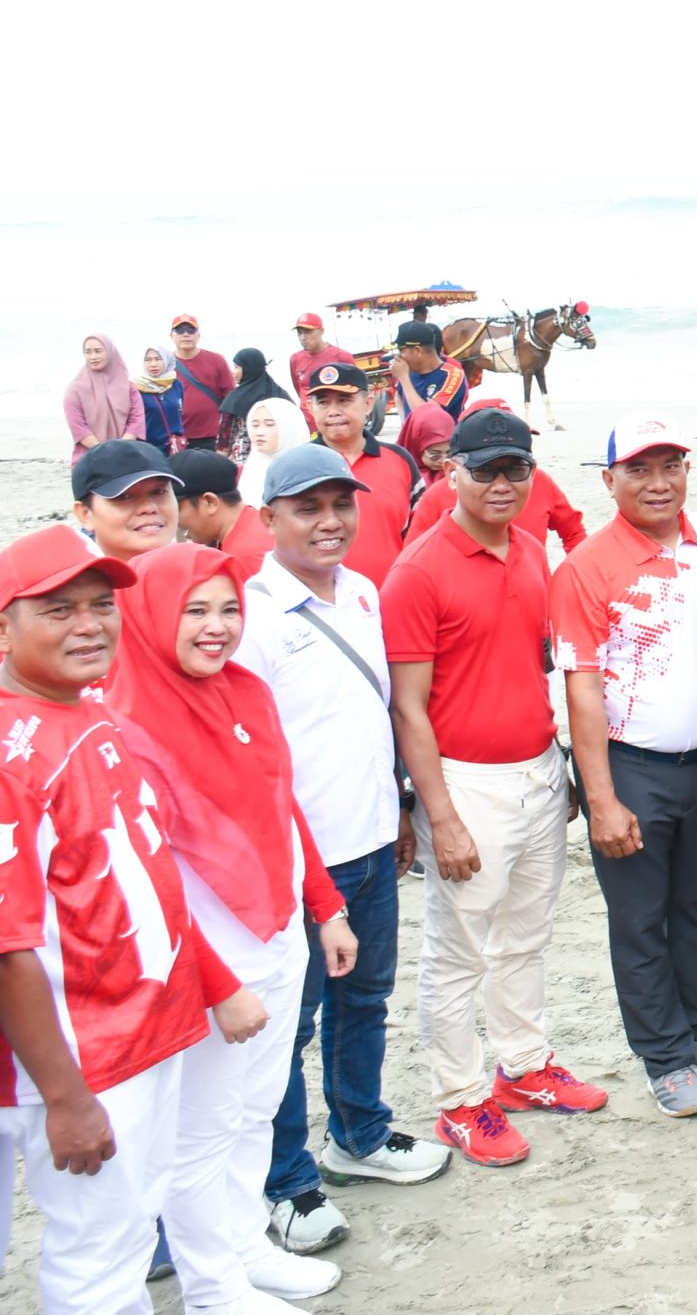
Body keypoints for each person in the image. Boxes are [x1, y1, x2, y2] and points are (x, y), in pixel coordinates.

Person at [0, 527, 262, 1314]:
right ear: (4, 628)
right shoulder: (15, 754)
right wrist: (66, 1096)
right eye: (58, 610)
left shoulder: (86, 711)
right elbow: (9, 944)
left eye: (101, 605)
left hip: (138, 1033)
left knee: (120, 1238)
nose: (89, 625)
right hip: (83, 1057)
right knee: (98, 1263)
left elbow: (143, 876)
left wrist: (213, 984)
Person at [107, 543, 357, 1311]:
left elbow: (284, 808)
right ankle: (212, 1286)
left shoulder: (245, 690)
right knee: (202, 1129)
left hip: (276, 935)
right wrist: (217, 984)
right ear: (150, 615)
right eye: (194, 610)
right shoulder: (128, 724)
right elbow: (148, 881)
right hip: (205, 956)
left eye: (227, 609)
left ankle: (247, 1246)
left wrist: (326, 907)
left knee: (256, 1108)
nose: (216, 627)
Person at [237, 446, 451, 1257]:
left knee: (365, 999)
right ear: (269, 518)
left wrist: (399, 809)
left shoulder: (362, 591)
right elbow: (256, 759)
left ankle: (359, 1133)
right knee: (289, 1027)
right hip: (298, 861)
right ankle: (286, 1181)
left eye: (340, 505)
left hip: (370, 839)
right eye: (308, 508)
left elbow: (378, 716)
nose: (329, 522)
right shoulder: (251, 615)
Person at [386, 405, 606, 1168]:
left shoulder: (531, 553)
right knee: (457, 954)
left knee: (526, 936)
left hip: (537, 771)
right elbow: (408, 707)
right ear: (453, 473)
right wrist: (440, 815)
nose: (504, 483)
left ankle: (524, 1066)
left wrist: (560, 766)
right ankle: (458, 1099)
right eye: (487, 471)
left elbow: (530, 667)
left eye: (518, 469)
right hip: (466, 783)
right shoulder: (419, 571)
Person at [553, 415, 697, 1119]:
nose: (657, 483)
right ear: (609, 479)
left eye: (670, 466)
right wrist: (601, 798)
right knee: (641, 919)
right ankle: (664, 1056)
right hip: (631, 765)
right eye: (639, 470)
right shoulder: (586, 566)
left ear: (686, 471)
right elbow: (582, 687)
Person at [407, 399, 586, 555]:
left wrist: (573, 576)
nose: (501, 486)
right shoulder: (435, 497)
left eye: (518, 443)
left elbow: (573, 531)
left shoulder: (539, 481)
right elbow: (414, 552)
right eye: (484, 470)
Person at [304, 360, 419, 585]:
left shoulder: (399, 460)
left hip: (394, 594)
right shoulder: (297, 466)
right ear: (310, 407)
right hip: (319, 600)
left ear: (368, 404)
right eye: (323, 402)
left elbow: (421, 533)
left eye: (344, 400)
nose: (333, 412)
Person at [71, 437, 183, 565]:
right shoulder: (72, 576)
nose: (149, 508)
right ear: (85, 514)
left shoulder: (197, 570)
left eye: (159, 492)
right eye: (124, 497)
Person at [172, 447, 276, 563]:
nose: (175, 520)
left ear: (210, 502)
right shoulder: (250, 523)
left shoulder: (246, 554)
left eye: (177, 508)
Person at [165, 313, 239, 451]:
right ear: (171, 336)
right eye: (180, 330)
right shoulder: (165, 364)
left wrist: (227, 435)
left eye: (191, 330)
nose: (186, 334)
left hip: (213, 435)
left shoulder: (217, 360)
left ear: (198, 335)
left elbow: (231, 397)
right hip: (178, 437)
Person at [65, 333, 144, 457]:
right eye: (88, 352)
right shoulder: (75, 390)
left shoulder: (128, 387)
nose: (93, 357)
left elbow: (136, 421)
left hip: (124, 455)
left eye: (98, 351)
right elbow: (79, 428)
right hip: (89, 458)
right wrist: (104, 452)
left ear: (110, 352)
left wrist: (119, 449)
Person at [390, 319, 471, 423]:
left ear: (417, 351)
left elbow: (427, 417)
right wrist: (405, 425)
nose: (398, 356)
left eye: (401, 350)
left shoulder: (453, 375)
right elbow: (399, 396)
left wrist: (404, 380)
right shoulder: (409, 370)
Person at [237, 395, 309, 510]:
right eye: (255, 425)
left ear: (289, 428)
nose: (259, 432)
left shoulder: (306, 470)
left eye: (269, 425)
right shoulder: (248, 469)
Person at [220, 347, 293, 456]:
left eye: (236, 367)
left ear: (247, 369)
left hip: (243, 459)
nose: (233, 372)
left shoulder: (235, 399)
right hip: (279, 456)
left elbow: (223, 442)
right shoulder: (280, 395)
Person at [287, 313, 360, 407]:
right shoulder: (295, 359)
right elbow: (299, 389)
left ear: (321, 331)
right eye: (299, 333)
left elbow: (356, 391)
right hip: (305, 414)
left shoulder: (341, 357)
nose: (303, 338)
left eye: (308, 332)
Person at [136, 346, 186, 452]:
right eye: (148, 360)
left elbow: (180, 414)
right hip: (148, 449)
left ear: (167, 360)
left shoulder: (176, 384)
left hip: (174, 448)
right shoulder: (137, 388)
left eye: (158, 359)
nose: (153, 364)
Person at [402, 403, 456, 487]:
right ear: (415, 446)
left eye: (449, 453)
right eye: (435, 454)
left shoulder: (459, 472)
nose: (443, 460)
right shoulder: (397, 471)